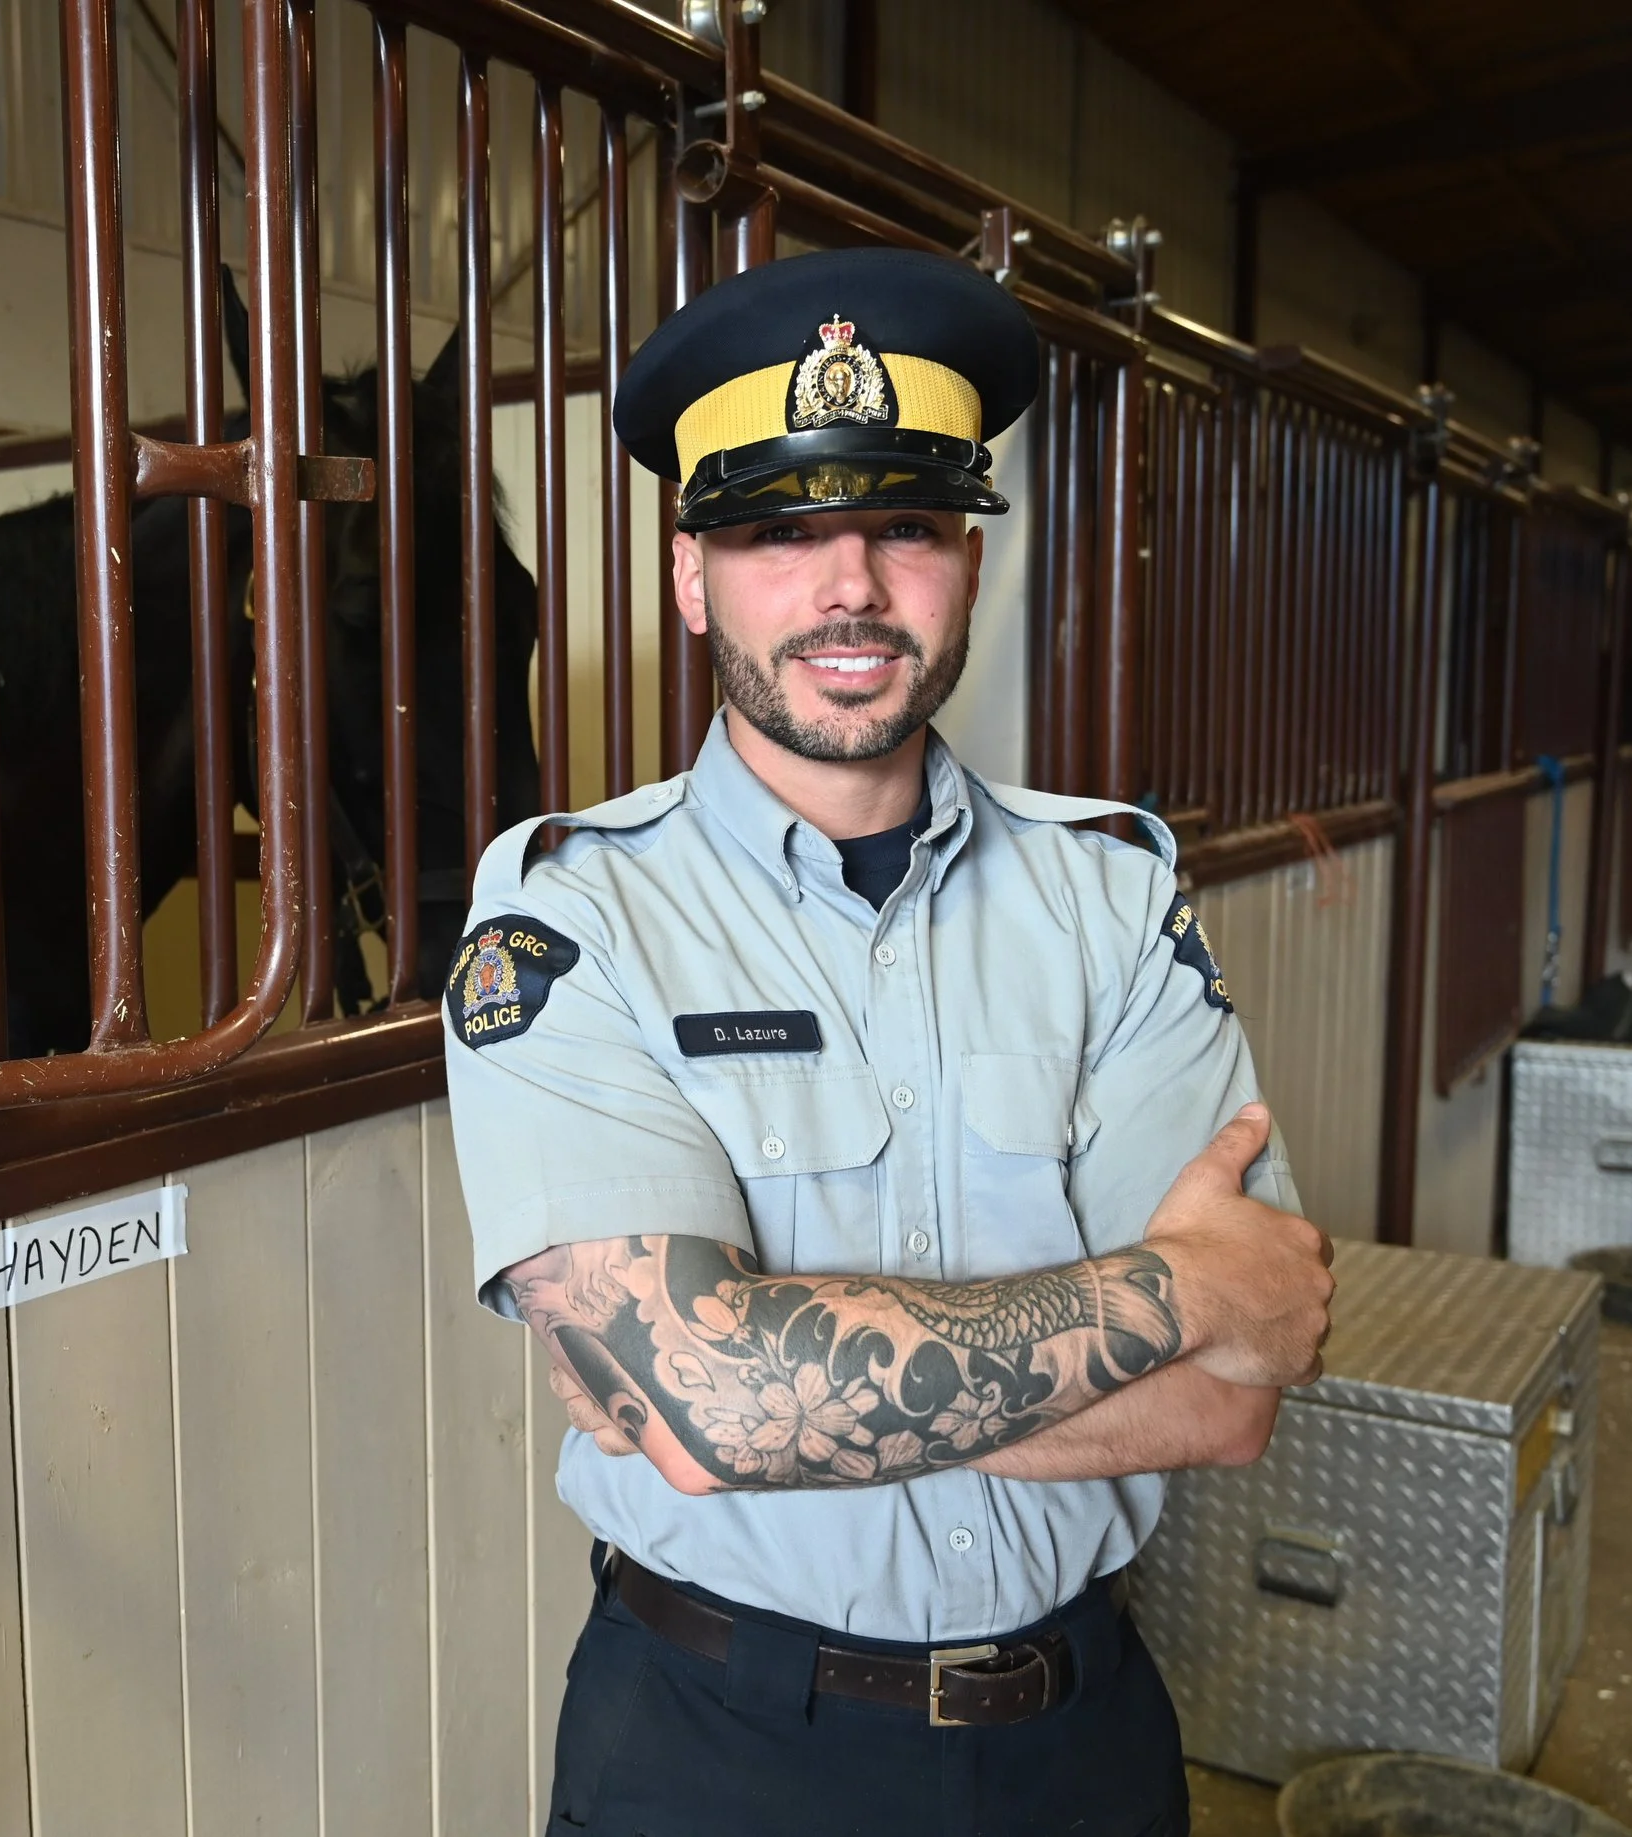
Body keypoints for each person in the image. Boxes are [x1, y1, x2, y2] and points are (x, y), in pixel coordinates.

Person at [442, 247, 1335, 1837]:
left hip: (1084, 1745)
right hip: (724, 1751)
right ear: (690, 575)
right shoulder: (573, 915)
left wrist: (789, 1382)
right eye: (781, 532)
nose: (848, 587)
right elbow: (704, 1409)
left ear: (970, 565)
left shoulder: (1110, 895)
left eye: (905, 526)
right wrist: (1193, 1287)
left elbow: (1236, 1399)